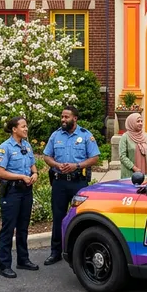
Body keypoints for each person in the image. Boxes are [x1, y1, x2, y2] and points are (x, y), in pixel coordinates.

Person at [42, 105, 100, 266]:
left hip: (78, 183)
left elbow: (94, 157)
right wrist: (56, 164)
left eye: (66, 117)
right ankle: (55, 252)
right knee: (58, 217)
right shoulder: (56, 135)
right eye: (62, 116)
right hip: (59, 182)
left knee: (79, 217)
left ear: (75, 118)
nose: (63, 119)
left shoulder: (86, 135)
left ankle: (77, 251)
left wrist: (78, 165)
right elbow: (47, 156)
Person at [0, 117, 39, 279]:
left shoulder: (27, 146)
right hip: (12, 192)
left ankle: (23, 259)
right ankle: (5, 265)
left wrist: (34, 174)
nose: (26, 129)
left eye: (26, 126)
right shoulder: (5, 148)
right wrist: (21, 176)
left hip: (26, 191)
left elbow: (32, 165)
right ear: (14, 129)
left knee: (23, 227)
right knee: (8, 229)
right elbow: (0, 172)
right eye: (23, 126)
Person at [118, 112, 147, 179]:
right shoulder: (125, 137)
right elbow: (122, 156)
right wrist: (134, 168)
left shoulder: (145, 136)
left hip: (144, 171)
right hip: (130, 172)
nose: (140, 123)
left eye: (141, 121)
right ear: (131, 123)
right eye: (138, 121)